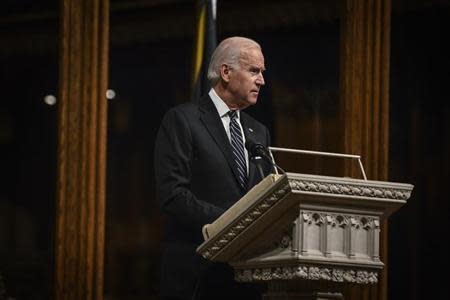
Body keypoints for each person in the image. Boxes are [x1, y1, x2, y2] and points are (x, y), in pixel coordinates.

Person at [154, 36, 272, 300]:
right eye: (254, 71)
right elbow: (172, 195)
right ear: (226, 72)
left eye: (262, 72)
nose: (262, 80)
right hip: (197, 272)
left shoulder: (258, 131)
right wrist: (233, 223)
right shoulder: (183, 120)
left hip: (246, 276)